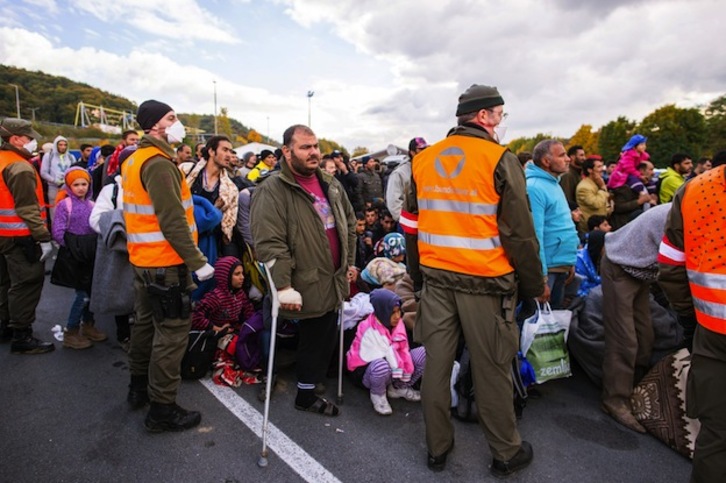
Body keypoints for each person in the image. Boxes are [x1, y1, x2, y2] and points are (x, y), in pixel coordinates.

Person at [403, 84, 544, 477]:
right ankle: (505, 453)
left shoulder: (424, 160)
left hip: (436, 280)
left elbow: (411, 227)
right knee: (492, 368)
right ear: (484, 116)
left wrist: (417, 279)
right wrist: (533, 285)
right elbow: (520, 234)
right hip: (486, 283)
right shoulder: (500, 158)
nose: (501, 120)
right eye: (500, 113)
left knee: (436, 366)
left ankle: (437, 449)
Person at [251, 124, 356, 417]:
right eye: (305, 147)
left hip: (333, 277)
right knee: (311, 336)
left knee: (324, 335)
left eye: (315, 146)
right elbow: (269, 243)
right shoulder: (271, 189)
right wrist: (283, 287)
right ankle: (305, 393)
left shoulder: (330, 183)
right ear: (287, 151)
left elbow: (349, 224)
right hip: (302, 280)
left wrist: (350, 262)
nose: (313, 153)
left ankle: (308, 388)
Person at [122, 99, 214, 432]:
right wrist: (198, 262)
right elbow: (172, 220)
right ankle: (162, 408)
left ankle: (137, 388)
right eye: (172, 118)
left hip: (143, 262)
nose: (179, 124)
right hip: (165, 264)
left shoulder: (134, 159)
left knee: (145, 326)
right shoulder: (159, 163)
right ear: (155, 125)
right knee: (171, 334)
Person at [657, 150, 726, 482]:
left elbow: (670, 265)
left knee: (716, 433)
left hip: (712, 330)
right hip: (709, 327)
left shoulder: (695, 190)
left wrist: (688, 317)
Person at [600, 202, 671, 433]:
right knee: (624, 339)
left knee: (645, 335)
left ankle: (634, 390)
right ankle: (615, 399)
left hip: (642, 272)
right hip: (620, 266)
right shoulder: (683, 216)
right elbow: (678, 271)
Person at [0, 118, 54, 354]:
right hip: (21, 236)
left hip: (4, 235)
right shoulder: (20, 167)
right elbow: (27, 209)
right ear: (15, 139)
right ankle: (22, 335)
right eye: (29, 138)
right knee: (27, 283)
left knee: (5, 283)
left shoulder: (4, 161)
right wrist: (43, 237)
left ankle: (4, 325)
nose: (34, 142)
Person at [51, 167, 106, 349]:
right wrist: (74, 247)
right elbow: (58, 231)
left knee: (91, 292)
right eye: (76, 184)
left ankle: (88, 325)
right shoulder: (64, 205)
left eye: (84, 184)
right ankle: (71, 331)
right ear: (69, 186)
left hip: (90, 255)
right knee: (81, 294)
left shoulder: (92, 205)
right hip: (75, 257)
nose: (81, 188)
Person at [346, 289, 425, 415]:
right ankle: (378, 394)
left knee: (423, 353)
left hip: (395, 369)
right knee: (382, 366)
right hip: (368, 371)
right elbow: (385, 354)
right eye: (392, 312)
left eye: (399, 311)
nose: (398, 316)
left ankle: (399, 388)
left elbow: (403, 351)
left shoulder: (398, 325)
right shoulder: (368, 328)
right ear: (382, 311)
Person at [526, 139, 580, 309]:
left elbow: (560, 223)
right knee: (540, 326)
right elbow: (535, 235)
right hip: (547, 269)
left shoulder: (553, 183)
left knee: (554, 322)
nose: (568, 159)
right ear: (546, 161)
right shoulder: (535, 187)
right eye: (562, 155)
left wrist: (568, 261)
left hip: (559, 265)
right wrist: (541, 278)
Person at [182, 136, 239, 249]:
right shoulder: (186, 170)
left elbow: (227, 227)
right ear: (211, 151)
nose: (229, 155)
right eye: (224, 150)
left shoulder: (230, 189)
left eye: (231, 151)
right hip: (179, 233)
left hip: (206, 243)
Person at [386, 137, 428, 221]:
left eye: (426, 148)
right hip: (408, 221)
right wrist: (405, 221)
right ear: (412, 152)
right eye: (421, 149)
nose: (425, 151)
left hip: (426, 220)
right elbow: (393, 201)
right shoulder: (400, 173)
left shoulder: (427, 168)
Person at [40, 135, 76, 222]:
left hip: (67, 188)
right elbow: (43, 172)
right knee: (54, 211)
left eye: (65, 145)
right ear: (56, 145)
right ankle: (55, 232)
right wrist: (55, 181)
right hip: (53, 188)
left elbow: (75, 171)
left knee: (68, 210)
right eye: (60, 145)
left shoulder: (71, 157)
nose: (63, 147)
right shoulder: (49, 156)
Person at [610, 160, 654, 231]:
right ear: (641, 170)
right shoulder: (625, 186)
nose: (653, 173)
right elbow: (618, 207)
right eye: (651, 170)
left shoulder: (645, 185)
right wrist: (639, 202)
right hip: (625, 227)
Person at [575, 157, 612, 234]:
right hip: (591, 229)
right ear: (590, 170)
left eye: (602, 166)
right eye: (598, 167)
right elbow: (596, 204)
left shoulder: (597, 182)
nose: (602, 169)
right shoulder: (584, 187)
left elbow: (606, 200)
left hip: (602, 225)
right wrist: (602, 188)